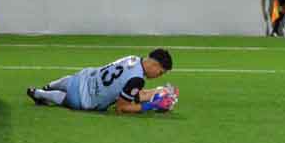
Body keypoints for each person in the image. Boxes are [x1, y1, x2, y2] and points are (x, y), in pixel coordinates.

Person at [26, 49, 176, 113]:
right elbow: (121, 107)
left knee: (68, 81)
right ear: (155, 65)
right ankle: (40, 94)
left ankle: (45, 88)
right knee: (65, 99)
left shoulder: (133, 59)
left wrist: (157, 91)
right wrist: (151, 105)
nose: (159, 75)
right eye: (160, 72)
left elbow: (125, 89)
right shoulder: (137, 80)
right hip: (84, 99)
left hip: (82, 78)